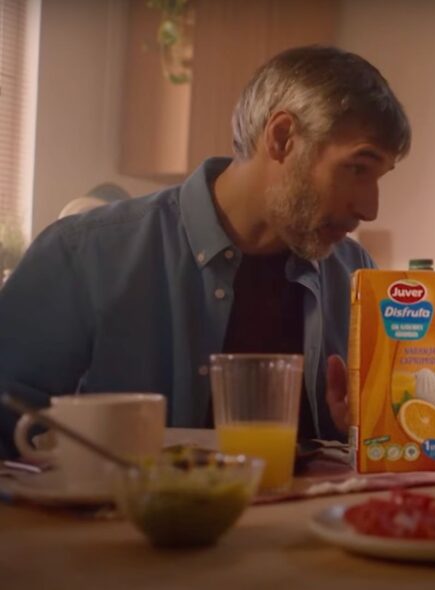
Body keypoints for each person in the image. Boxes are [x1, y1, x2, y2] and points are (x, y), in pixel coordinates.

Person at [0, 45, 410, 458]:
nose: (370, 208)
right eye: (357, 168)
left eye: (378, 177)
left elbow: (373, 452)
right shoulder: (85, 255)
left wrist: (364, 431)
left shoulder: (356, 274)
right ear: (283, 138)